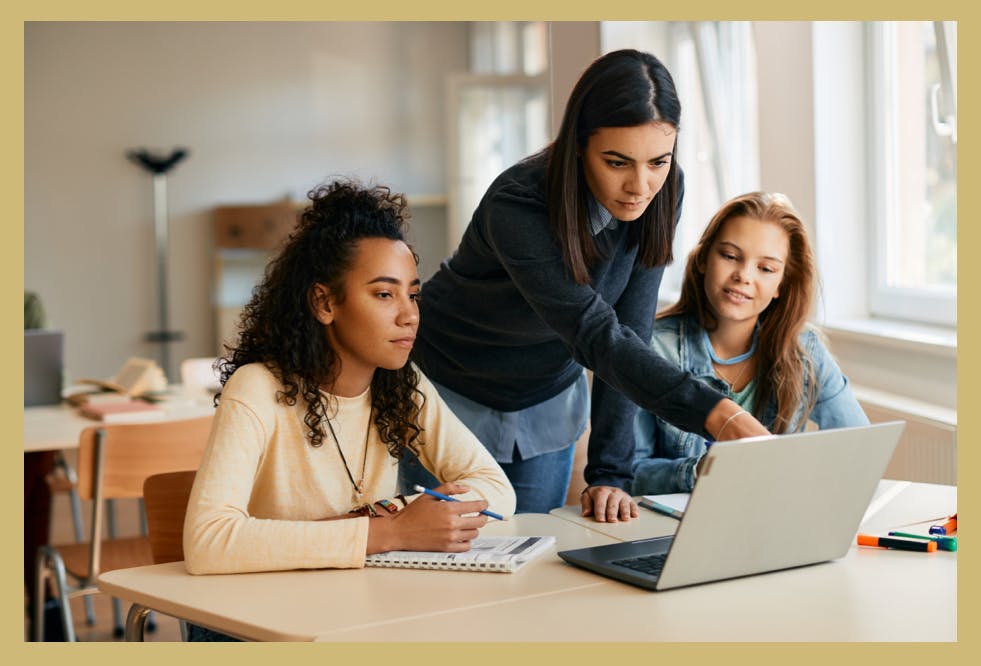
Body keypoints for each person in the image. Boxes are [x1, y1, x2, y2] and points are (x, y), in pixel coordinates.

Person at [402, 48, 769, 522]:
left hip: (546, 400)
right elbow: (594, 332)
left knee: (528, 569)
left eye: (658, 160)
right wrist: (720, 413)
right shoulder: (517, 204)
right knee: (440, 569)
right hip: (448, 390)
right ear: (578, 145)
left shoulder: (663, 189)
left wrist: (610, 473)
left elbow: (629, 330)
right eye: (617, 162)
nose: (641, 185)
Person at [183, 180, 516, 639]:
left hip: (356, 612)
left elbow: (496, 489)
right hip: (259, 622)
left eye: (413, 294)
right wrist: (392, 532)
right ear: (324, 303)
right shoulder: (258, 388)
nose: (410, 314)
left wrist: (390, 517)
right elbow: (208, 542)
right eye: (384, 294)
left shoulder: (401, 382)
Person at [632, 192, 869, 494]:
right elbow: (626, 474)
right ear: (704, 258)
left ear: (782, 284)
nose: (743, 275)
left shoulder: (804, 350)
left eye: (766, 269)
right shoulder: (651, 347)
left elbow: (858, 446)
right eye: (730, 256)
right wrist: (701, 471)